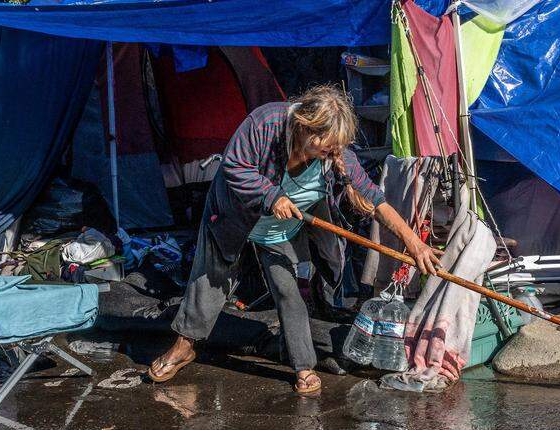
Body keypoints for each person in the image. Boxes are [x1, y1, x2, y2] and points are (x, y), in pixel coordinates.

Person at [147, 85, 441, 396]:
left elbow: (375, 200)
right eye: (326, 147)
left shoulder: (335, 156)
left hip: (278, 229)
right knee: (209, 281)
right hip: (234, 215)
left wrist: (414, 242)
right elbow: (234, 167)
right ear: (305, 127)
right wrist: (271, 195)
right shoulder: (265, 124)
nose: (332, 154)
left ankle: (303, 365)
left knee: (287, 289)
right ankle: (183, 346)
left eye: (336, 149)